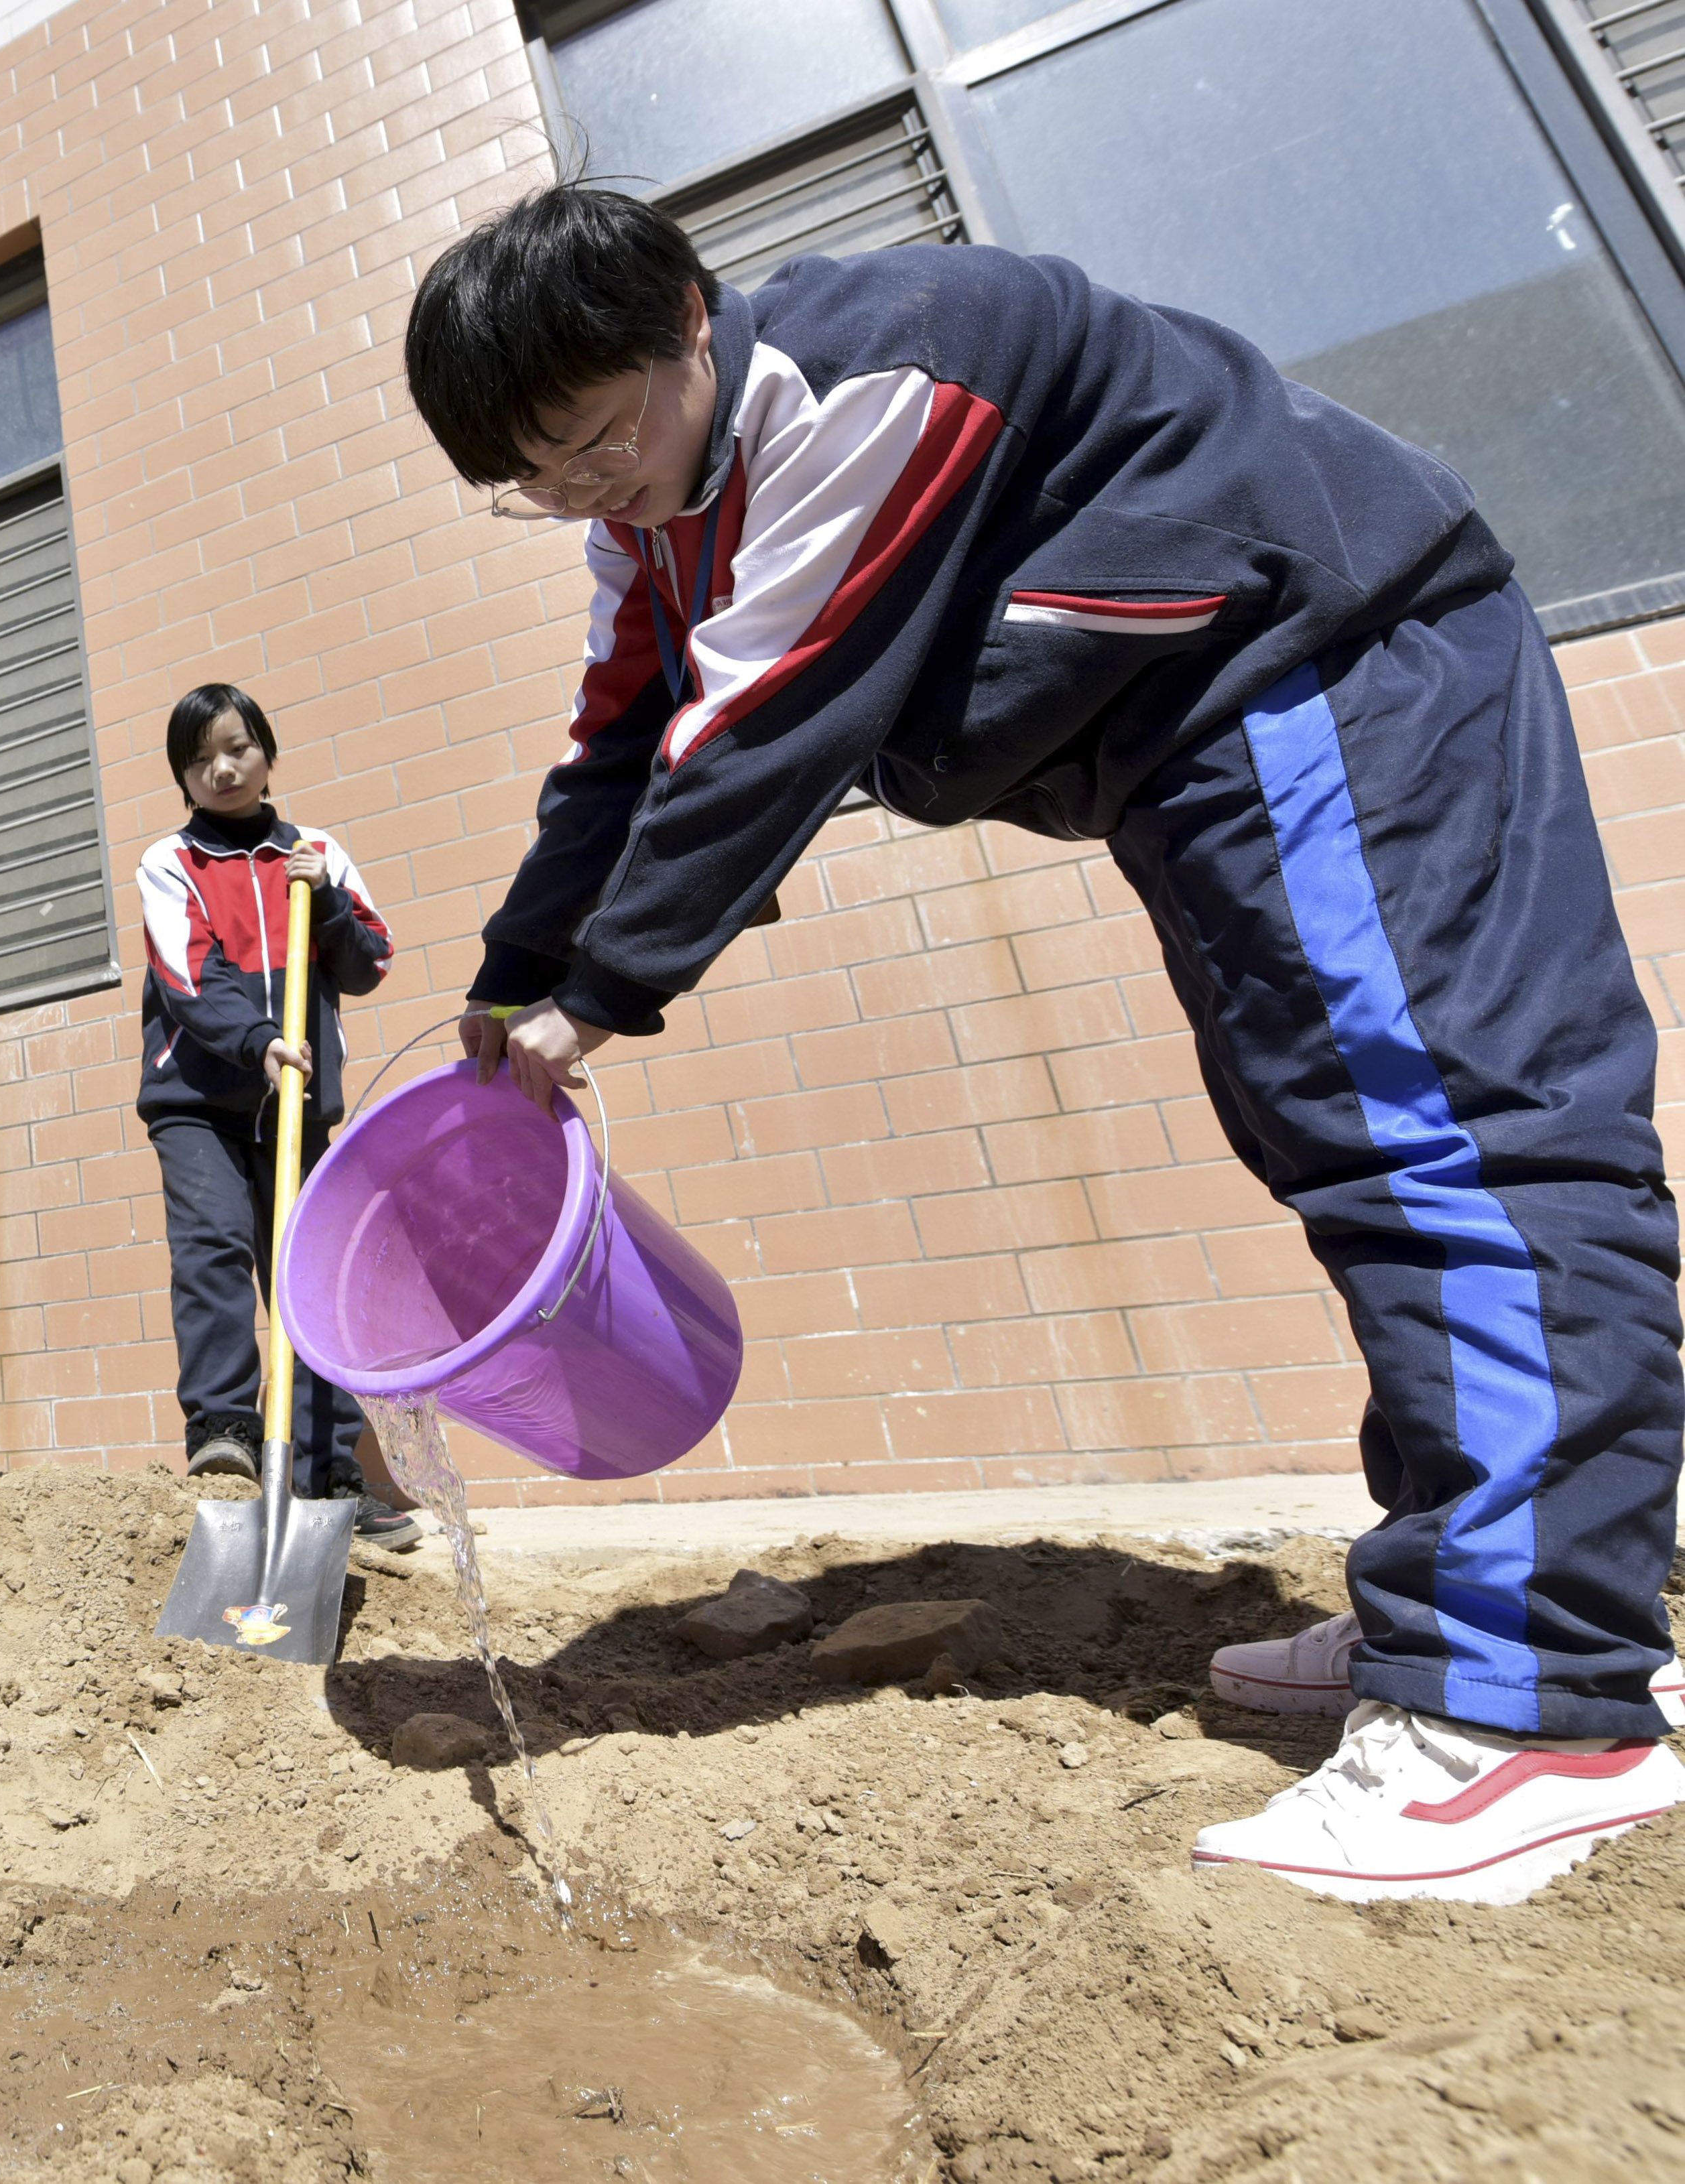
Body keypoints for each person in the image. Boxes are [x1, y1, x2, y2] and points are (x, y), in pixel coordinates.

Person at [403, 186, 1684, 1905]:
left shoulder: (871, 381)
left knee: (1440, 1134)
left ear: (689, 321)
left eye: (592, 438)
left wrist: (606, 996)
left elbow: (769, 721)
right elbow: (622, 753)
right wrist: (513, 971)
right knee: (1341, 1147)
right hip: (1202, 743)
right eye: (531, 477)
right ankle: (1495, 1590)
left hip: (1330, 667)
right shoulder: (646, 531)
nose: (579, 490)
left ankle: (1532, 1703)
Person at [137, 684, 414, 1546]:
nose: (221, 768)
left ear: (265, 751)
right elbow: (188, 981)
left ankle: (329, 1476)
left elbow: (369, 964)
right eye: (199, 759)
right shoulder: (170, 862)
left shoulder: (320, 851)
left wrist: (324, 895)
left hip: (298, 1105)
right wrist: (258, 1041)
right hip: (200, 1103)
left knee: (309, 1283)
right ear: (183, 777)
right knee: (215, 1247)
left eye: (236, 748)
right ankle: (224, 1433)